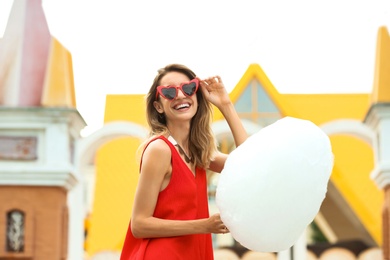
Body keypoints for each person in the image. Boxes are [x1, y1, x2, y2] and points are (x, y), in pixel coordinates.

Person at [120, 64, 247, 260]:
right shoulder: (159, 150)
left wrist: (225, 104)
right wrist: (204, 225)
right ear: (158, 106)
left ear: (196, 96)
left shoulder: (198, 153)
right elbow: (139, 224)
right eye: (169, 92)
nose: (180, 95)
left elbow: (248, 164)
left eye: (188, 88)